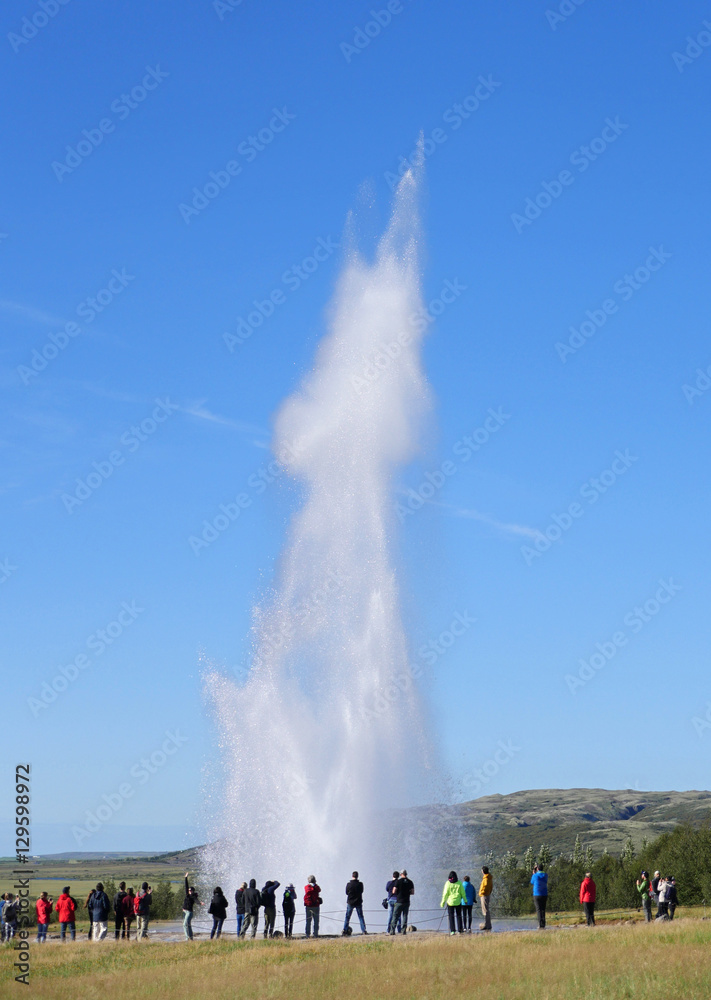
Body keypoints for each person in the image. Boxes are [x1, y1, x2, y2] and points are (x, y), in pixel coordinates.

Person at [342, 871, 367, 935]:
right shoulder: (360, 884)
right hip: (358, 902)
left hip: (350, 902)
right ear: (357, 876)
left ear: (352, 876)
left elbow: (347, 893)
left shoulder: (349, 884)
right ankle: (363, 930)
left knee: (347, 916)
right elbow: (361, 891)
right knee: (360, 916)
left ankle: (345, 929)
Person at [391, 870, 414, 935]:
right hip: (406, 901)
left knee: (395, 916)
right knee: (405, 916)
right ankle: (403, 931)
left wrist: (398, 892)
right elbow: (412, 892)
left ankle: (392, 931)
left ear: (401, 874)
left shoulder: (398, 881)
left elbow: (394, 891)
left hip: (399, 901)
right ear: (406, 874)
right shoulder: (410, 882)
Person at [183, 872, 203, 941]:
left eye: (191, 890)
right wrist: (186, 878)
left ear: (193, 891)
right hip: (185, 912)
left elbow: (196, 900)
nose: (189, 891)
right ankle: (191, 938)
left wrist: (200, 903)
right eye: (189, 890)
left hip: (189, 912)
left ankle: (187, 938)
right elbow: (186, 886)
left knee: (185, 924)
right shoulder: (187, 895)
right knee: (188, 925)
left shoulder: (193, 896)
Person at [530, 864, 548, 929]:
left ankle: (540, 925)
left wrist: (533, 873)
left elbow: (532, 882)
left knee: (538, 909)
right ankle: (543, 924)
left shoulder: (535, 876)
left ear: (537, 869)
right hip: (544, 894)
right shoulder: (545, 875)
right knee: (543, 909)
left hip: (537, 894)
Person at [479, 866, 493, 931]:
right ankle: (487, 924)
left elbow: (485, 887)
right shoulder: (489, 878)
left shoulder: (486, 878)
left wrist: (481, 893)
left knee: (485, 910)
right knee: (486, 909)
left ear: (483, 871)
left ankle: (487, 925)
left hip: (484, 895)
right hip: (487, 894)